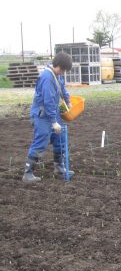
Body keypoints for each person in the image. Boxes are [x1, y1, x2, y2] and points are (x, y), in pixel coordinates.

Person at [22, 52, 74, 182]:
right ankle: (28, 173)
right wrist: (53, 121)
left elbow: (62, 88)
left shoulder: (57, 75)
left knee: (60, 138)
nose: (64, 73)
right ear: (60, 67)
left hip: (52, 112)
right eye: (65, 70)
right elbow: (48, 101)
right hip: (42, 115)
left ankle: (59, 168)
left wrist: (67, 101)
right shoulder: (47, 77)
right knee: (41, 141)